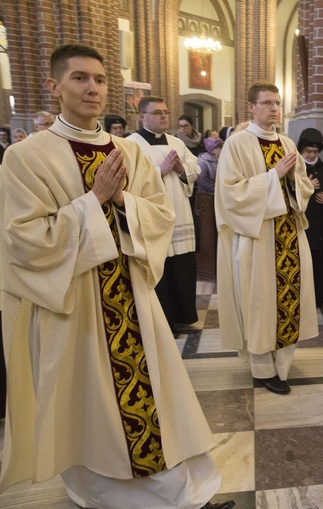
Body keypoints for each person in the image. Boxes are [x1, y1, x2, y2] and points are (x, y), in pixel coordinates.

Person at [0, 43, 233, 509]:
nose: (92, 88)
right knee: (90, 412)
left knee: (153, 403)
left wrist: (122, 201)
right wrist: (94, 200)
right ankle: (107, 495)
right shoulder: (27, 158)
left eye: (100, 79)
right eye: (80, 78)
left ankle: (182, 497)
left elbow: (161, 215)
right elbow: (22, 241)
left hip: (132, 300)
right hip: (76, 306)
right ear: (54, 87)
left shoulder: (129, 150)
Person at [215, 81, 318, 395]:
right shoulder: (237, 144)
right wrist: (273, 176)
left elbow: (303, 187)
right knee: (259, 302)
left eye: (277, 103)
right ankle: (262, 369)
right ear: (251, 107)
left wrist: (290, 180)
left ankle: (282, 364)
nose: (274, 108)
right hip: (257, 237)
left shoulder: (287, 143)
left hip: (289, 234)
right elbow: (231, 194)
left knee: (290, 299)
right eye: (267, 103)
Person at [128, 96, 200, 332]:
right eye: (157, 112)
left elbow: (194, 167)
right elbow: (129, 181)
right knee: (160, 266)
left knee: (181, 265)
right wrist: (161, 170)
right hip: (152, 217)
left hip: (179, 213)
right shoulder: (131, 144)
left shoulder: (176, 142)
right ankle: (163, 320)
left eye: (166, 111)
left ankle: (183, 316)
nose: (163, 116)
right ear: (142, 117)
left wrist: (181, 169)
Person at [297, 128, 323, 305]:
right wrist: (307, 185)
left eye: (314, 152)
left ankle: (322, 296)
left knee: (321, 263)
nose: (311, 154)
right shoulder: (296, 168)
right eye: (308, 151)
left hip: (321, 224)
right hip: (303, 224)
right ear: (301, 150)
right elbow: (288, 194)